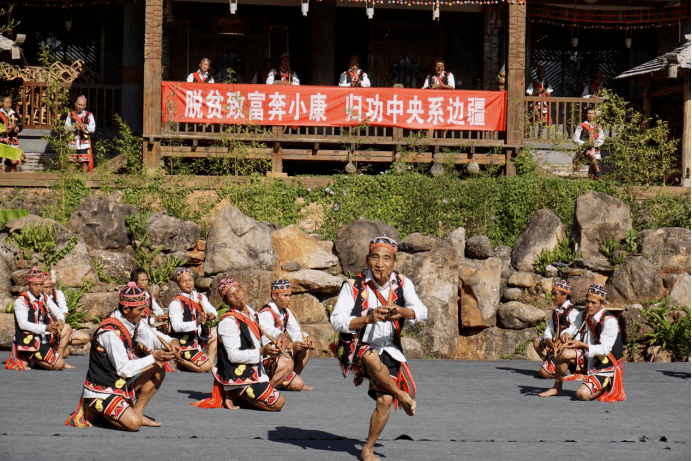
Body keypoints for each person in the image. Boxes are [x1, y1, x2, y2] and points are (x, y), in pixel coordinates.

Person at [331, 235, 427, 461]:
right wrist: (368, 318)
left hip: (390, 348)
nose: (380, 264)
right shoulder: (352, 285)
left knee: (384, 401)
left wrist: (402, 311)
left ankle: (368, 449)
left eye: (386, 259)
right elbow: (337, 321)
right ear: (367, 259)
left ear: (395, 262)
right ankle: (402, 396)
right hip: (356, 347)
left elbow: (422, 311)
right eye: (375, 257)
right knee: (371, 356)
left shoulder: (403, 283)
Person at [65, 282, 180, 430]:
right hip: (104, 388)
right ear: (126, 308)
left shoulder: (132, 320)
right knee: (134, 425)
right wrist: (153, 357)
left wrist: (172, 341)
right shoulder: (110, 332)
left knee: (158, 369)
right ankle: (95, 408)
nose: (144, 312)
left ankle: (137, 413)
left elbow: (152, 337)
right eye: (140, 309)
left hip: (120, 381)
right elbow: (124, 369)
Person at [192, 278, 288, 411]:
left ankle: (255, 391)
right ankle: (236, 392)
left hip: (254, 368)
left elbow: (266, 328)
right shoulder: (228, 322)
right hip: (239, 374)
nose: (238, 296)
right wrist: (261, 351)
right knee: (278, 404)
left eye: (238, 290)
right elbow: (233, 356)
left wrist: (280, 335)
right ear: (226, 301)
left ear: (243, 290)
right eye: (232, 295)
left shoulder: (250, 312)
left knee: (287, 364)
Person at [539, 284, 625, 402]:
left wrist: (581, 345)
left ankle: (604, 386)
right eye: (587, 301)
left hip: (605, 365)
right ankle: (557, 388)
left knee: (582, 394)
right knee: (563, 353)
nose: (589, 305)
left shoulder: (610, 321)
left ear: (602, 304)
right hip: (588, 357)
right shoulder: (584, 314)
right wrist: (566, 334)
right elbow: (573, 327)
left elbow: (605, 349)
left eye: (593, 303)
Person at [4, 267, 73, 371]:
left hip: (44, 335)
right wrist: (45, 328)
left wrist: (60, 320)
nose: (39, 288)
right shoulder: (21, 300)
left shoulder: (44, 297)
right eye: (35, 285)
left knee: (67, 328)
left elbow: (58, 311)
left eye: (41, 285)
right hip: (30, 338)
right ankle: (34, 359)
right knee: (58, 366)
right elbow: (23, 324)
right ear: (28, 285)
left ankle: (55, 358)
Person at [258, 279, 315, 391]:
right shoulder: (266, 314)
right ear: (274, 296)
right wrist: (290, 346)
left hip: (279, 355)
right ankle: (268, 387)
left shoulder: (286, 312)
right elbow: (266, 345)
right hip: (267, 358)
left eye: (289, 296)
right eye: (285, 296)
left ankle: (290, 377)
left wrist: (306, 338)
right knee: (298, 385)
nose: (289, 300)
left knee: (305, 348)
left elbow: (296, 332)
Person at [168, 268, 217, 372]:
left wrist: (211, 315)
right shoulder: (176, 303)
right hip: (186, 343)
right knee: (205, 368)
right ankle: (179, 361)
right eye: (184, 281)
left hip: (199, 337)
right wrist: (196, 322)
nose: (188, 284)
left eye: (190, 280)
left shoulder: (200, 297)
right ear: (178, 284)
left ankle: (210, 361)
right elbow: (176, 327)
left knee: (216, 332)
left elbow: (212, 310)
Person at [532, 280, 582, 379]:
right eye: (552, 294)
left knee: (543, 373)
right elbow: (550, 329)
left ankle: (561, 366)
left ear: (564, 296)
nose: (552, 297)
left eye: (555, 294)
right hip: (556, 346)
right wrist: (548, 339)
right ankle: (554, 365)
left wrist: (563, 340)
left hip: (567, 349)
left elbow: (576, 333)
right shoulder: (556, 312)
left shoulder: (573, 312)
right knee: (537, 341)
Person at [42, 271, 91, 357]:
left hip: (58, 326)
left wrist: (60, 320)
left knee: (85, 338)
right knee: (65, 353)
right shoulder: (39, 297)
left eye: (50, 287)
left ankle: (59, 344)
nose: (48, 289)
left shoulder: (57, 294)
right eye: (46, 287)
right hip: (46, 329)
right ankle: (57, 349)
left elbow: (63, 310)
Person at [65, 95, 96, 173]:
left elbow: (92, 128)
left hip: (84, 143)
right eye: (78, 104)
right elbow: (66, 127)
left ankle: (84, 180)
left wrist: (85, 128)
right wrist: (75, 127)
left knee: (84, 161)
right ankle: (70, 178)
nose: (80, 107)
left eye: (82, 105)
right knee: (71, 161)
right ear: (75, 104)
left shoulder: (89, 115)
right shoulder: (70, 114)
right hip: (72, 142)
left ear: (84, 106)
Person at [573, 108, 605, 180]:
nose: (590, 115)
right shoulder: (581, 126)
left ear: (595, 115)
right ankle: (597, 169)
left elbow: (601, 138)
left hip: (595, 148)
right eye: (589, 114)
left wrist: (594, 144)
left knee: (593, 155)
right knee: (591, 153)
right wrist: (585, 143)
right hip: (584, 149)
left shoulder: (598, 126)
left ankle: (594, 176)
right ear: (586, 115)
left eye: (592, 113)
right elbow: (575, 139)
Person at [0, 94, 25, 172]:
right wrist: (3, 129)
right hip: (1, 141)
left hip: (12, 141)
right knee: (12, 159)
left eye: (10, 103)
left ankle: (10, 181)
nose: (8, 105)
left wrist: (14, 128)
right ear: (1, 103)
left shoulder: (14, 114)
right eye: (6, 102)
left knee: (13, 163)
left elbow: (20, 126)